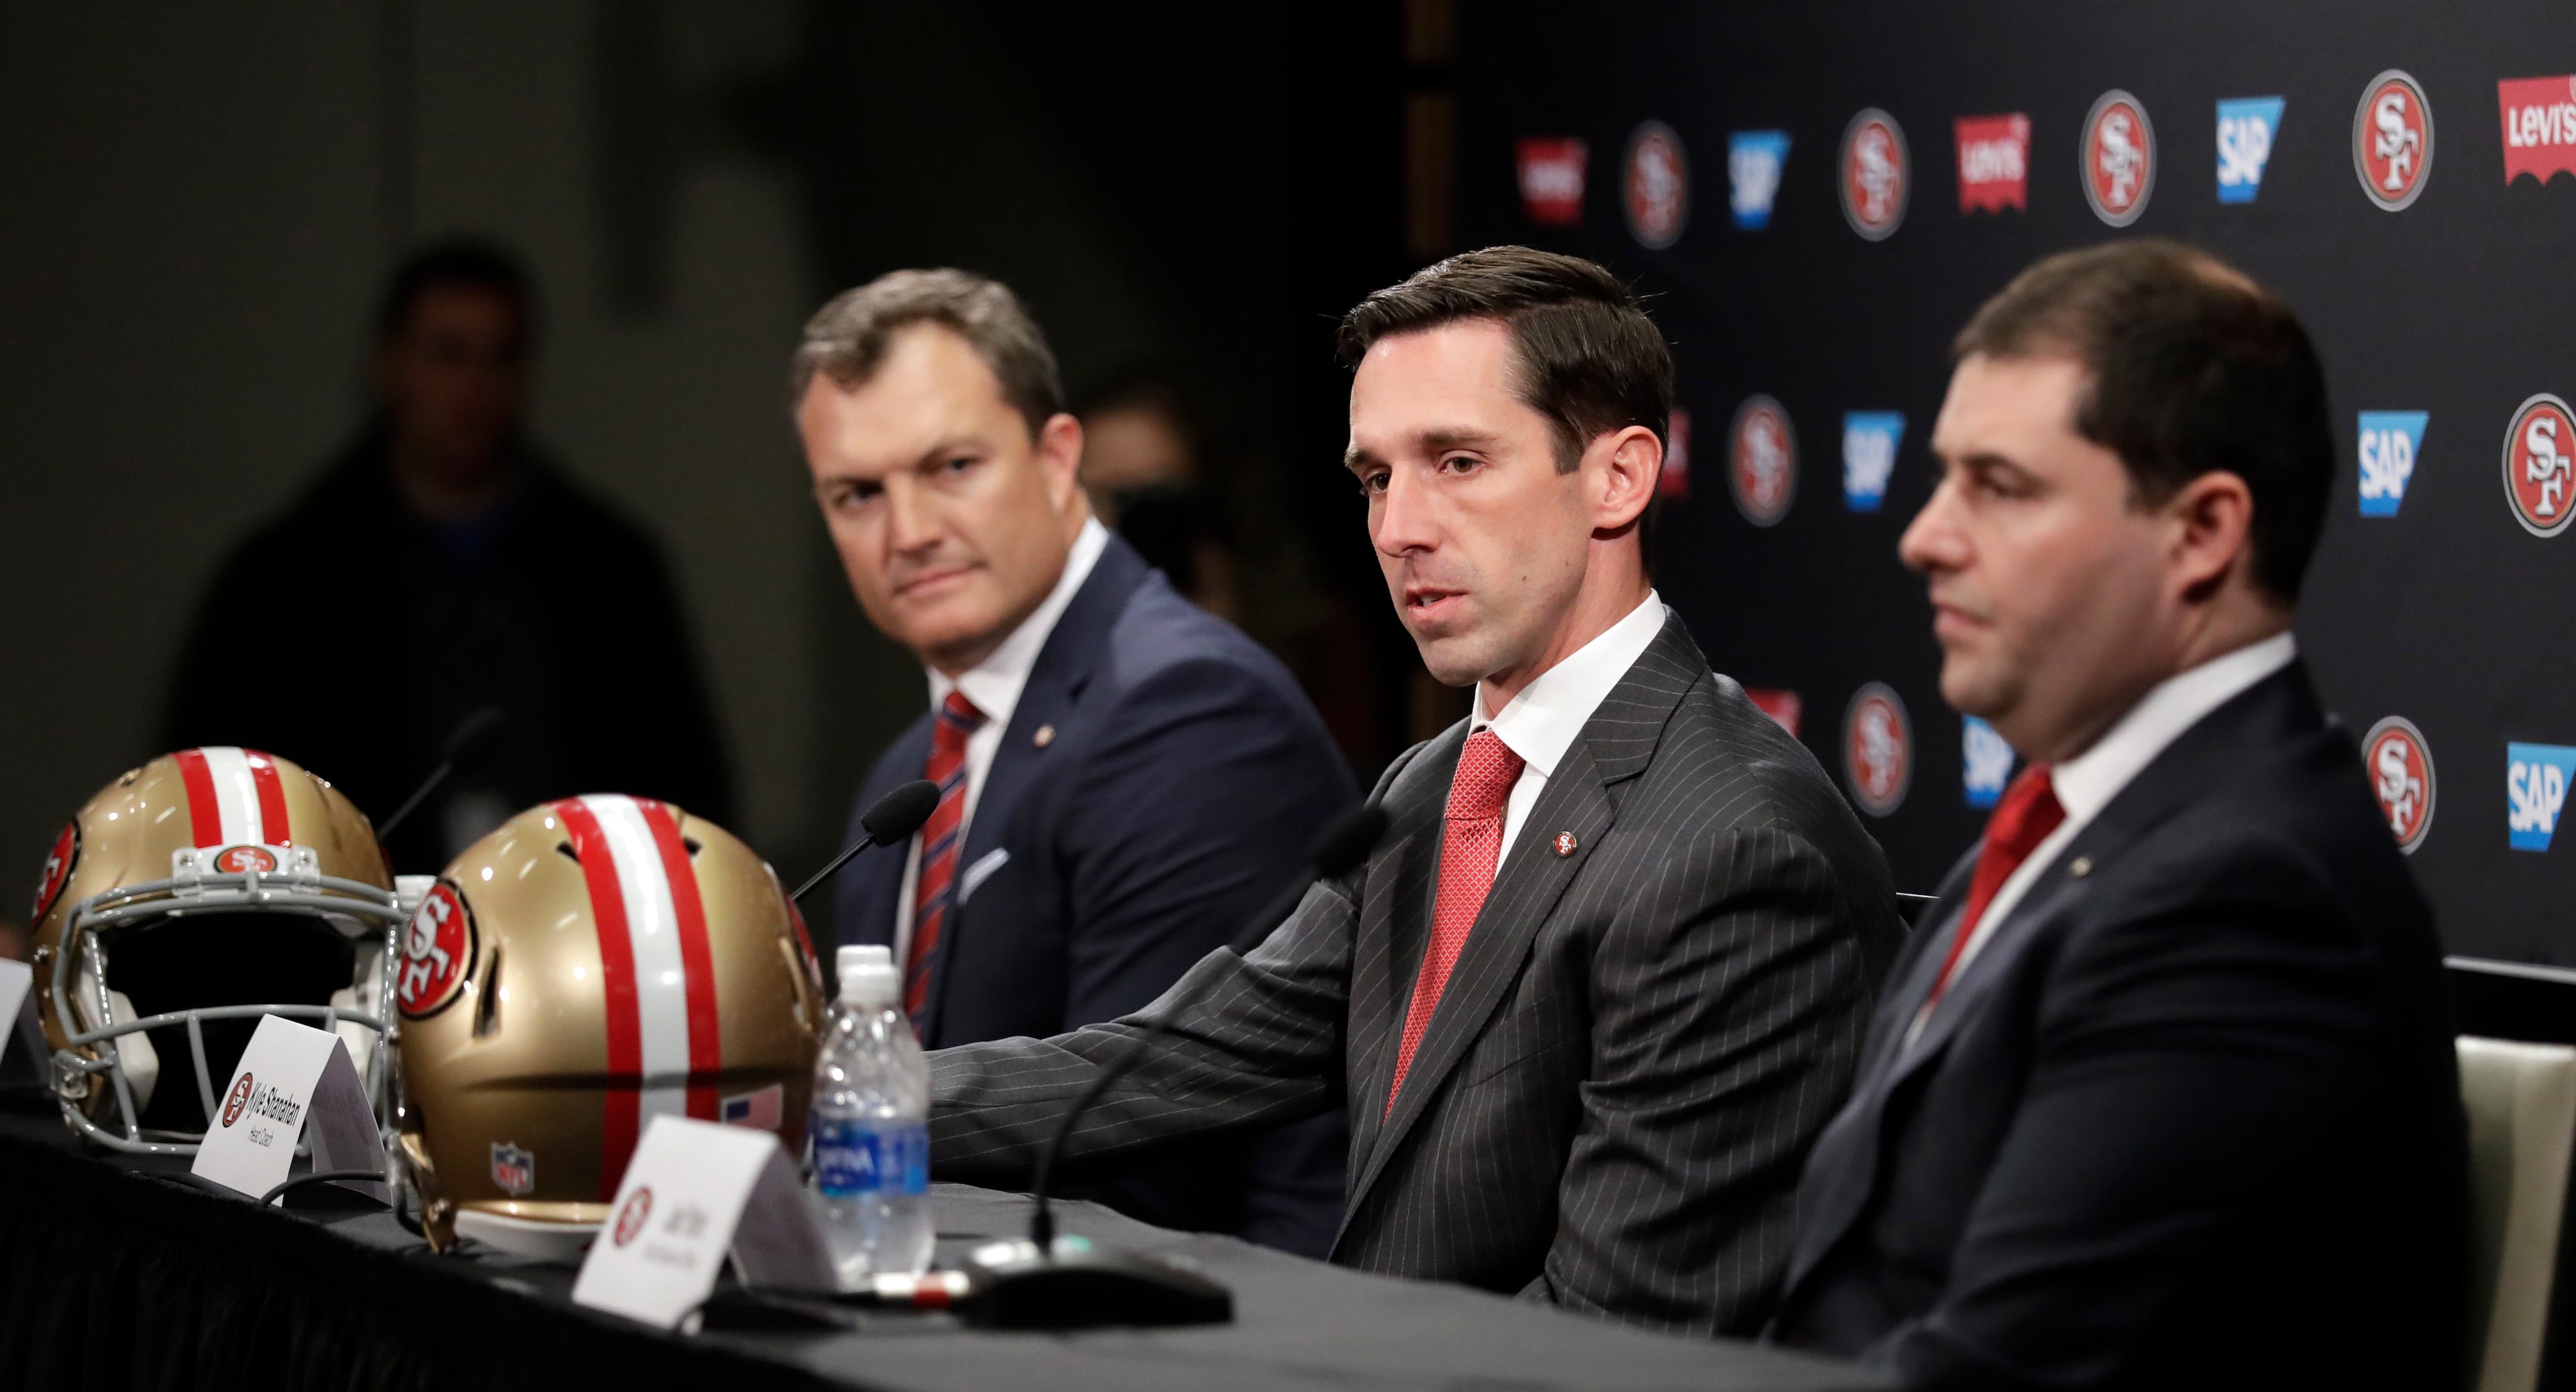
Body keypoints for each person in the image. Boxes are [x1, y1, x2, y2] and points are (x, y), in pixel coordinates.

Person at [918, 246, 1902, 1332]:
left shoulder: (1731, 849)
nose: (1399, 528)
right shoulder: (1432, 788)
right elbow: (1180, 1056)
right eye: (1378, 477)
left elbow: (1623, 1336)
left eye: (1459, 462)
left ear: (1618, 478)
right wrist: (829, 1104)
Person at [1768, 242, 2470, 1392]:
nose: (1925, 532)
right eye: (1940, 474)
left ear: (2202, 532)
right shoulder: (2078, 816)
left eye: (2001, 485)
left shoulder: (2247, 893)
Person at [799, 270, 1355, 1256]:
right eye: (858, 494)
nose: (910, 531)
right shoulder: (907, 774)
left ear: (1059, 458)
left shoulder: (1186, 710)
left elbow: (1127, 1149)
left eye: (952, 467)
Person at [164, 239, 732, 871]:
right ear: (390, 365)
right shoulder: (283, 582)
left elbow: (686, 805)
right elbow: (211, 811)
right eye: (448, 355)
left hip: (574, 937)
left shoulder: (611, 574)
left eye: (501, 358)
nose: (474, 387)